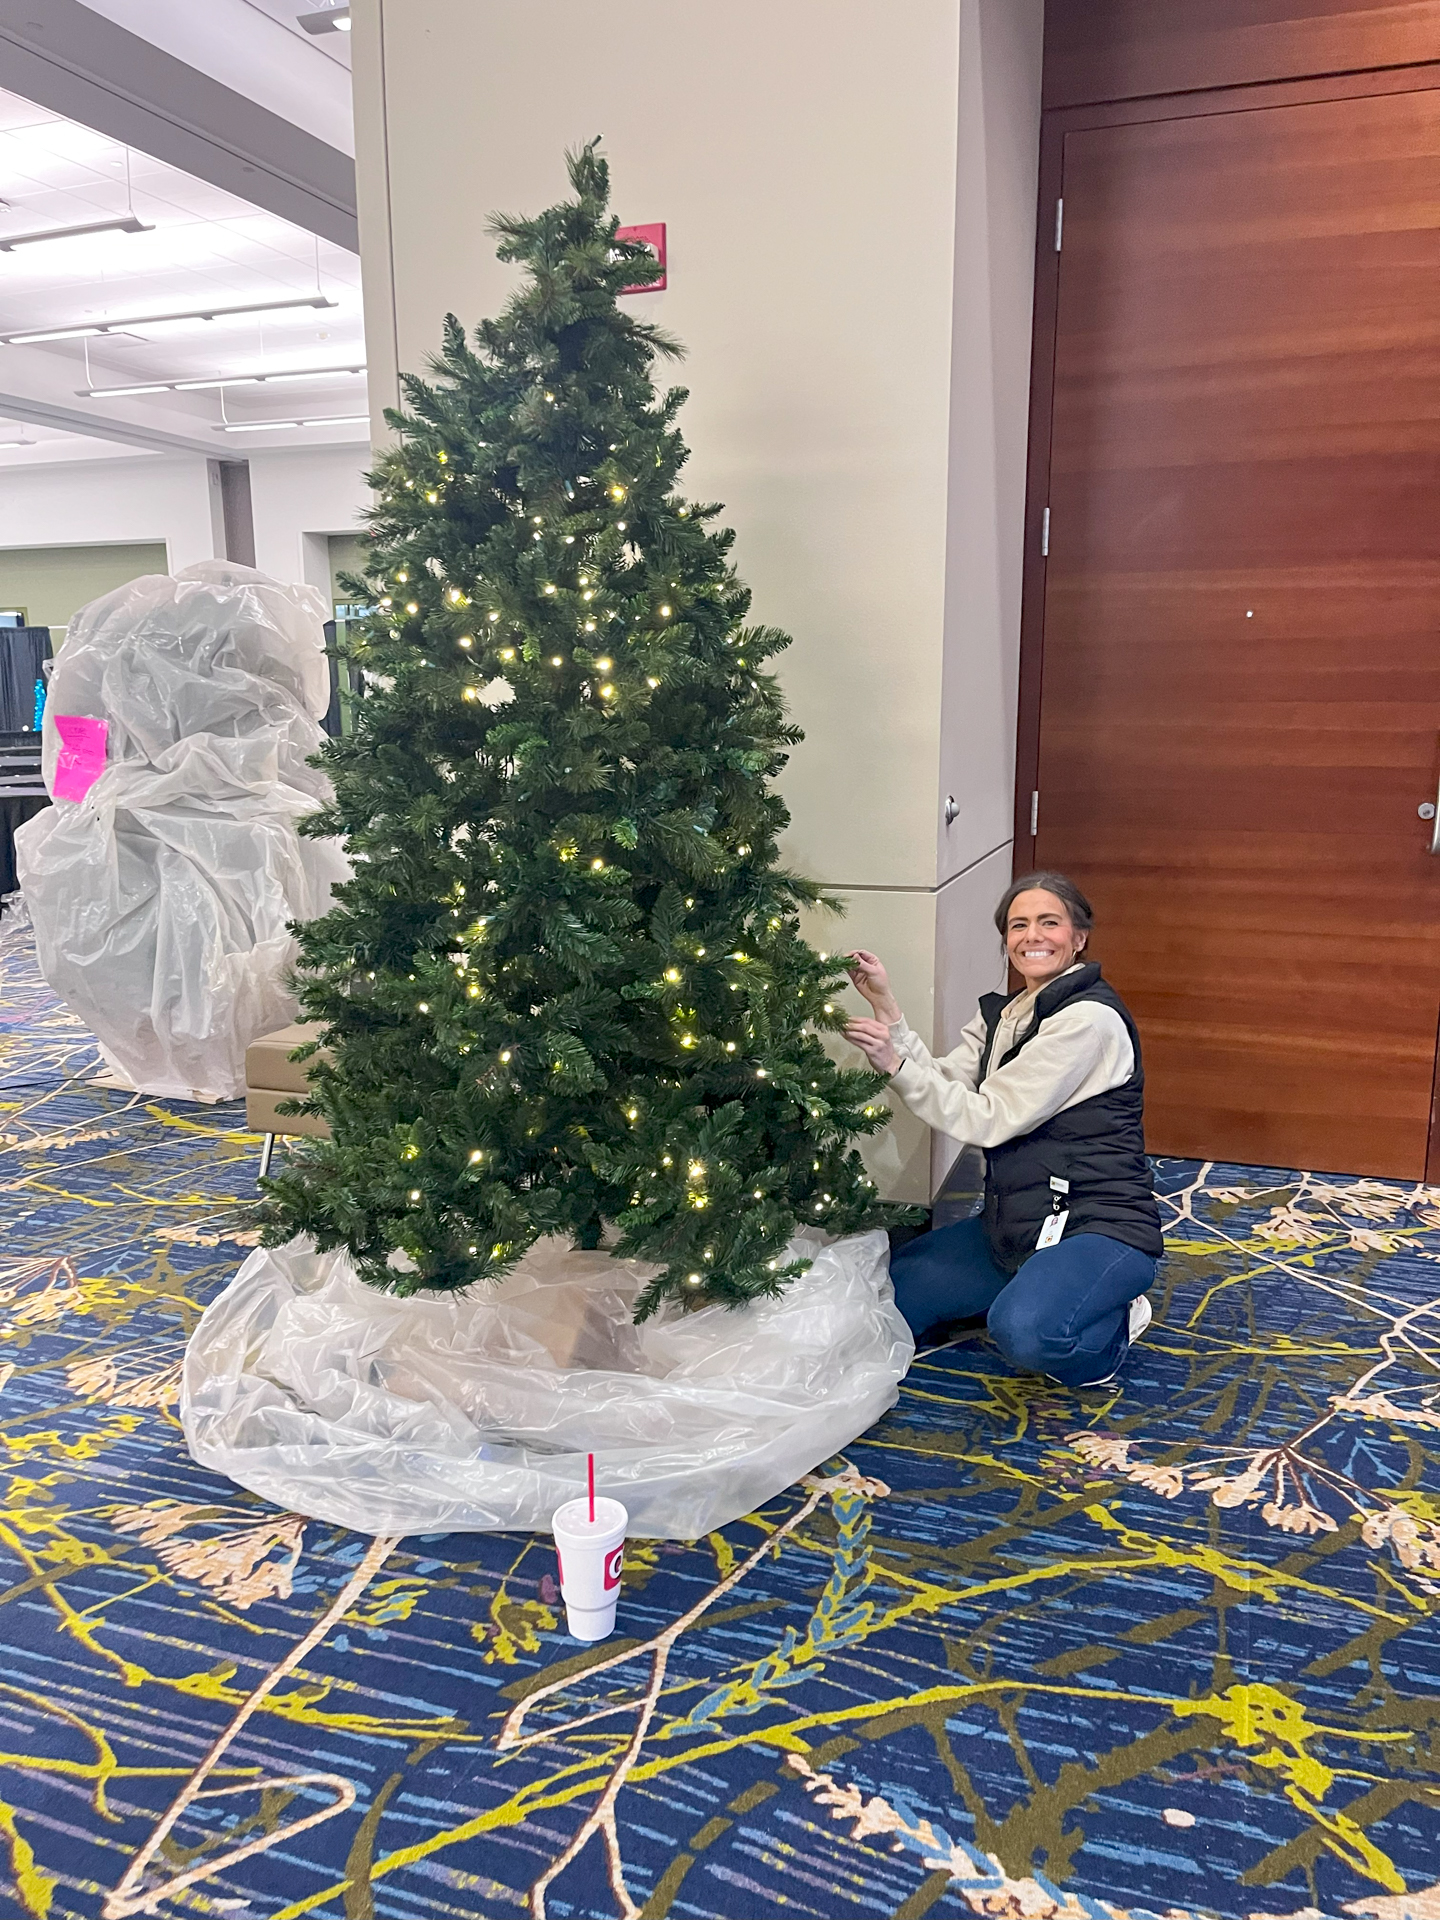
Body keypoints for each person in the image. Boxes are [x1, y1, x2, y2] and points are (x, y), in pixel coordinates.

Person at [845, 872, 1163, 1387]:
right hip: (1017, 1222)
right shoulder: (1010, 1013)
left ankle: (1114, 1322)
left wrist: (895, 1067)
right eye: (1019, 925)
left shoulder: (1088, 1022)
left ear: (1079, 937)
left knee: (1027, 1335)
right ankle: (1036, 1285)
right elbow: (946, 1079)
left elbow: (985, 1118)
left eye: (1048, 922)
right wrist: (887, 1009)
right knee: (898, 1290)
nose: (1032, 936)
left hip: (1096, 1222)